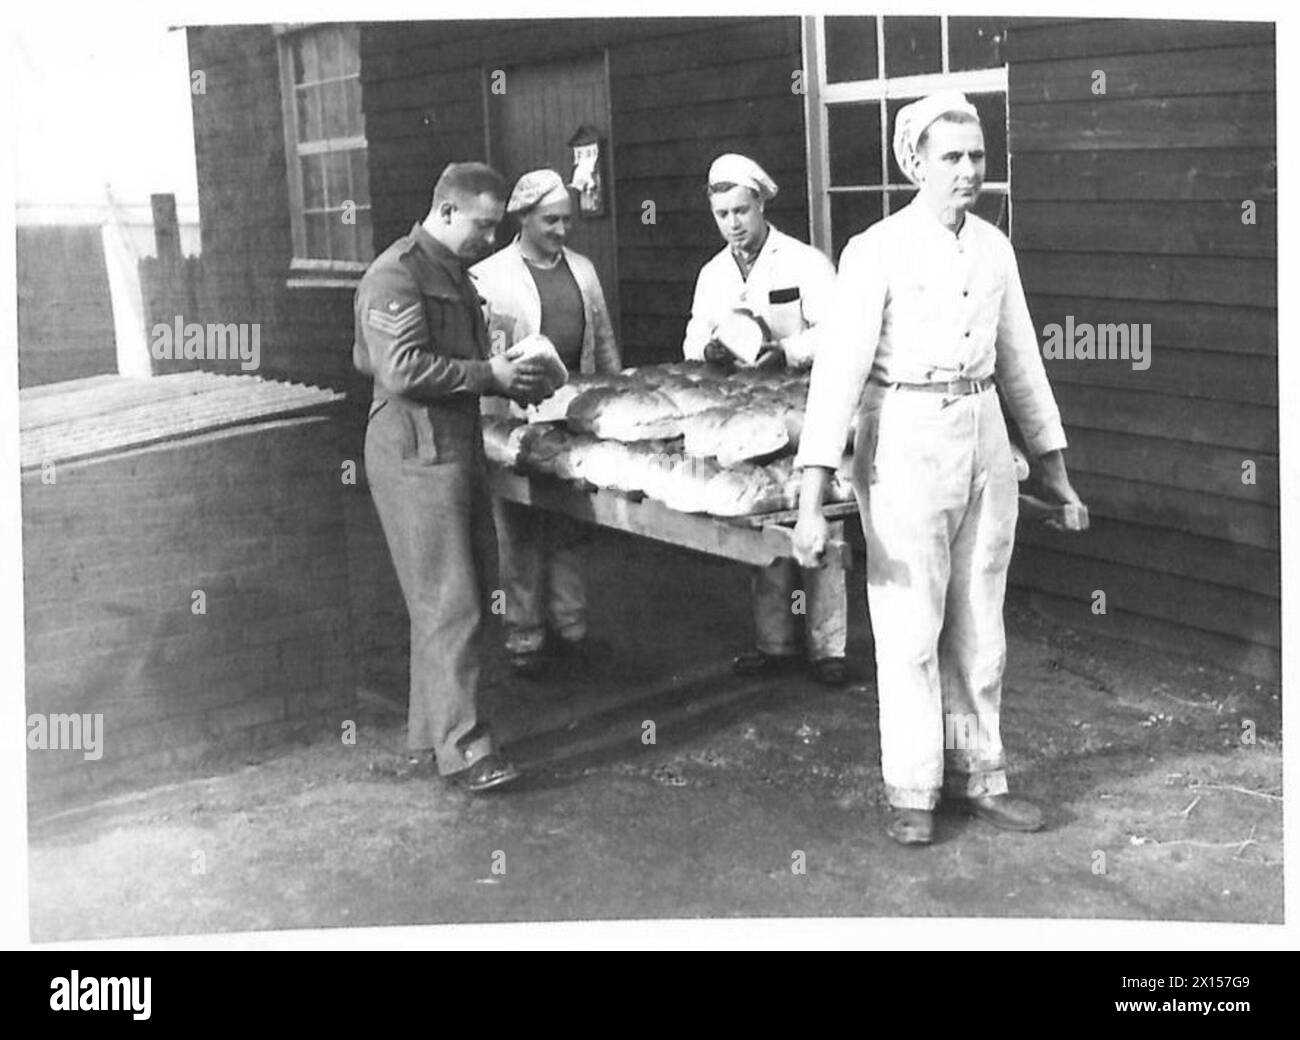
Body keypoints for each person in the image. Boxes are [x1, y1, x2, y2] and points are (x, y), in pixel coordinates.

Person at [792, 92, 1088, 844]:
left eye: (977, 156)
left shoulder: (994, 248)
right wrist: (811, 496)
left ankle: (980, 774)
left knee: (981, 622)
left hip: (984, 433)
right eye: (950, 156)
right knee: (910, 624)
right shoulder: (875, 249)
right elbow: (838, 374)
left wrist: (1052, 466)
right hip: (904, 435)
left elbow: (1021, 360)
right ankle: (914, 788)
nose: (967, 170)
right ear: (913, 162)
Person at [354, 161, 549, 793]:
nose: (490, 240)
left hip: (452, 443)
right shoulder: (397, 273)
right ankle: (467, 749)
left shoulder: (448, 272)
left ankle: (429, 736)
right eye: (483, 226)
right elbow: (400, 367)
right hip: (415, 449)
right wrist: (487, 375)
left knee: (448, 596)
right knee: (453, 601)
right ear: (445, 211)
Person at [683, 153, 850, 687]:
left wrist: (788, 351)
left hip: (806, 407)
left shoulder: (803, 262)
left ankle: (829, 648)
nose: (733, 224)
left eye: (741, 211)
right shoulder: (712, 274)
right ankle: (775, 641)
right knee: (763, 516)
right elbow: (691, 338)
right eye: (722, 214)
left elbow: (838, 332)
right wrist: (708, 348)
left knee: (817, 511)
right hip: (746, 413)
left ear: (761, 205)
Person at [472, 169, 622, 678]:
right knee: (519, 528)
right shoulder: (490, 276)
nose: (562, 230)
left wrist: (610, 396)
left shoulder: (582, 269)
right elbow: (487, 356)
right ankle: (524, 635)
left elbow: (601, 342)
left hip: (572, 414)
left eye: (567, 220)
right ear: (525, 217)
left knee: (571, 524)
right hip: (514, 420)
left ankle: (571, 628)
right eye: (551, 220)